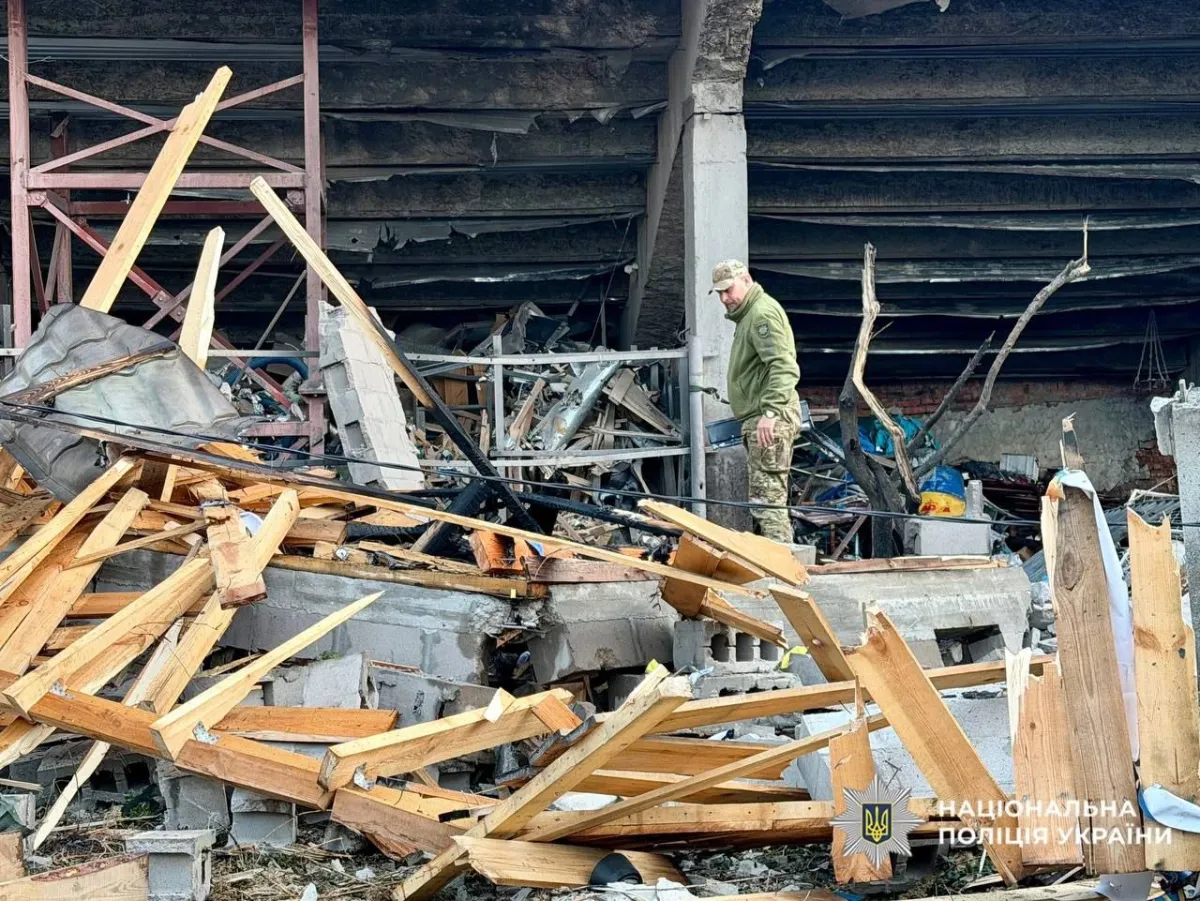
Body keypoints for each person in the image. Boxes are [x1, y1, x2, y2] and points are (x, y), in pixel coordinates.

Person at [711, 259, 801, 543]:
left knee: (767, 500)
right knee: (766, 498)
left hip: (769, 417)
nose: (725, 299)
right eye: (719, 294)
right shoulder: (749, 316)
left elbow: (784, 366)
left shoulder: (760, 315)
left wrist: (771, 412)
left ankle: (783, 569)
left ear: (746, 279)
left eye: (728, 290)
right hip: (760, 416)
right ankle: (780, 563)